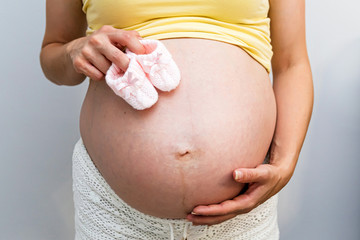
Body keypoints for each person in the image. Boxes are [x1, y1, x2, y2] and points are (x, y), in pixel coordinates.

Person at [40, 0, 313, 239]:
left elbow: (292, 63)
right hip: (115, 212)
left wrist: (284, 164)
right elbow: (53, 54)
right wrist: (74, 50)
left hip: (242, 207)